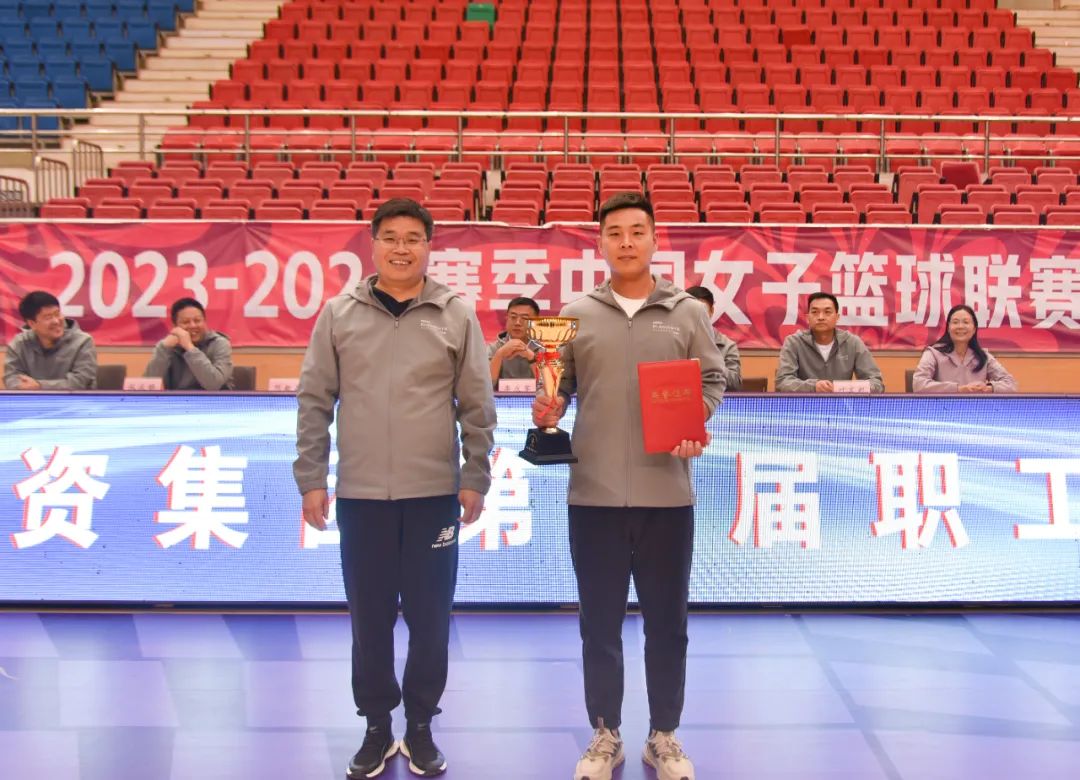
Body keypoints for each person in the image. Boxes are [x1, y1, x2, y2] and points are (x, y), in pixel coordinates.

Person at [294, 198, 496, 779]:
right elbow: (315, 400)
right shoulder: (339, 314)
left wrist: (475, 474)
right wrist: (311, 478)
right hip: (361, 496)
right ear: (373, 244)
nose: (401, 248)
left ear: (429, 247)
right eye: (390, 237)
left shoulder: (455, 313)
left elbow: (476, 403)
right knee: (370, 618)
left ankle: (422, 725)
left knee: (431, 619)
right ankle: (377, 726)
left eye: (413, 238)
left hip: (433, 494)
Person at [533, 193, 725, 780]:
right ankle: (605, 733)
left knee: (668, 623)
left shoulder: (686, 311)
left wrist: (695, 422)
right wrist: (548, 405)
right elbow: (559, 383)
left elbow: (713, 378)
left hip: (667, 494)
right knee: (599, 624)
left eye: (637, 231)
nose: (625, 242)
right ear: (600, 243)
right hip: (593, 495)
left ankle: (663, 735)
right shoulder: (575, 313)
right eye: (614, 232)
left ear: (655, 239)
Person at [775, 291, 884, 393]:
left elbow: (877, 384)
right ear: (808, 318)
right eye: (815, 312)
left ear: (837, 317)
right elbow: (782, 382)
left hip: (842, 405)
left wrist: (843, 388)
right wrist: (813, 386)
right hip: (805, 405)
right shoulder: (794, 342)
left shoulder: (852, 343)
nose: (821, 317)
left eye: (827, 312)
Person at [913, 304, 1018, 393]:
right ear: (948, 328)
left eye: (966, 322)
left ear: (974, 329)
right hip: (943, 409)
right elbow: (918, 384)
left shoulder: (983, 356)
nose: (960, 326)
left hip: (975, 409)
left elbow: (1011, 384)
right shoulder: (933, 353)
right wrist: (959, 389)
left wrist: (988, 388)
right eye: (955, 322)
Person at [4, 290, 97, 390]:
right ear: (32, 324)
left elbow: (80, 382)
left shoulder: (83, 342)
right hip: (31, 399)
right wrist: (21, 385)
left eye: (57, 314)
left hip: (74, 399)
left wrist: (39, 386)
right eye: (48, 317)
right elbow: (11, 378)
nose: (56, 321)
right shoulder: (19, 344)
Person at [144, 297, 233, 390]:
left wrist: (189, 347)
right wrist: (163, 349)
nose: (193, 325)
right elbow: (149, 385)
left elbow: (214, 385)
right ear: (175, 326)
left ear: (204, 321)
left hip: (214, 399)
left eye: (197, 320)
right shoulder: (168, 346)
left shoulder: (219, 343)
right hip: (176, 399)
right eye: (185, 322)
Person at [685, 285, 742, 391]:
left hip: (716, 400)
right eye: (691, 312)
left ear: (711, 311)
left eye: (702, 311)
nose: (697, 317)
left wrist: (712, 364)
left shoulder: (727, 346)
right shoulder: (675, 342)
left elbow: (735, 385)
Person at [487, 296, 540, 386]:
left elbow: (548, 387)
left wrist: (532, 358)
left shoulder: (544, 348)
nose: (517, 323)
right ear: (507, 318)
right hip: (500, 396)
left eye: (524, 318)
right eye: (513, 317)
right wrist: (499, 355)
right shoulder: (494, 348)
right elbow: (486, 386)